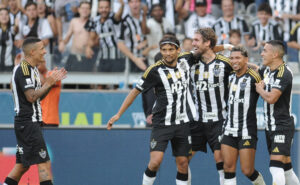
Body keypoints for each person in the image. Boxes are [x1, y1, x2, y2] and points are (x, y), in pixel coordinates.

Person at [107, 35, 198, 185]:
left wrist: (226, 47)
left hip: (183, 123)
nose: (167, 53)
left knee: (183, 163)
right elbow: (135, 92)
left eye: (170, 49)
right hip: (162, 123)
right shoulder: (154, 70)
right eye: (164, 50)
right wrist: (118, 114)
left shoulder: (186, 59)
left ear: (178, 49)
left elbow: (207, 50)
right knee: (155, 162)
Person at [4, 37, 67, 185]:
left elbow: (38, 96)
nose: (45, 52)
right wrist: (50, 81)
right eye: (42, 49)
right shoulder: (24, 69)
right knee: (44, 164)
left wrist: (50, 84)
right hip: (28, 124)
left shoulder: (31, 69)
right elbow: (31, 97)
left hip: (26, 125)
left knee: (22, 166)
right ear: (32, 52)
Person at [189, 27, 233, 185]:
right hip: (197, 120)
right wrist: (225, 46)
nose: (192, 43)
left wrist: (255, 68)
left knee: (221, 161)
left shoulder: (225, 63)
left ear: (207, 43)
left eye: (196, 40)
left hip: (219, 120)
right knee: (182, 160)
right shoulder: (190, 62)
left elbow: (242, 69)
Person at [255, 40, 300, 185]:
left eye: (265, 51)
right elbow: (255, 69)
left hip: (281, 126)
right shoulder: (267, 70)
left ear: (275, 54)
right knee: (286, 168)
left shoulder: (284, 72)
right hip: (270, 126)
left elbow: (272, 98)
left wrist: (260, 89)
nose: (262, 53)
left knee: (275, 167)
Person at [221, 46, 266, 185]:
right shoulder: (229, 77)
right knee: (228, 168)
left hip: (246, 130)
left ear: (246, 59)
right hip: (229, 128)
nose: (234, 61)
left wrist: (251, 66)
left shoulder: (254, 76)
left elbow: (266, 74)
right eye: (232, 58)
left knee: (247, 170)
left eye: (238, 58)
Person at [85, 0, 125, 72]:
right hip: (103, 57)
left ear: (110, 8)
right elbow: (92, 38)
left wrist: (122, 5)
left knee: (116, 82)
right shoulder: (94, 20)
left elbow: (118, 16)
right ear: (98, 9)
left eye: (106, 7)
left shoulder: (113, 17)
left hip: (117, 58)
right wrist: (88, 47)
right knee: (101, 81)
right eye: (101, 7)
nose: (104, 10)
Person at [58, 1, 93, 72]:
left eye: (87, 8)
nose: (85, 10)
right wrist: (63, 43)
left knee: (85, 81)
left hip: (86, 57)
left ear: (90, 10)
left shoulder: (93, 22)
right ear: (78, 9)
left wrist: (89, 46)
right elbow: (68, 36)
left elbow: (94, 39)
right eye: (83, 8)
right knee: (69, 80)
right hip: (73, 55)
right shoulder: (74, 21)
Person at [117, 0, 147, 72]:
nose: (134, 4)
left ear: (140, 3)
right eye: (132, 2)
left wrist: (146, 41)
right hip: (131, 61)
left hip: (147, 59)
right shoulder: (125, 21)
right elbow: (120, 44)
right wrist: (135, 59)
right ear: (129, 4)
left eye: (136, 1)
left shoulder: (146, 17)